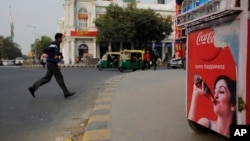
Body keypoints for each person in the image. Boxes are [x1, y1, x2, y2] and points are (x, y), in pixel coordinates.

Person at [28, 33, 75, 99]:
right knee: (59, 77)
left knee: (47, 79)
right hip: (52, 64)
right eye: (61, 38)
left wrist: (59, 54)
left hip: (51, 63)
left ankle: (33, 88)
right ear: (58, 38)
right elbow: (45, 50)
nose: (62, 39)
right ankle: (66, 92)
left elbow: (53, 51)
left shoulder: (57, 45)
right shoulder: (54, 44)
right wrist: (53, 56)